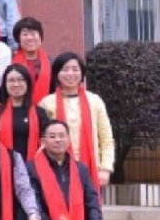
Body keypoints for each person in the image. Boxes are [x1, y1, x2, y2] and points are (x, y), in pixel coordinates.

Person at [37, 53, 115, 189]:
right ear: (57, 74)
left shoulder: (94, 101)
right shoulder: (46, 103)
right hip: (56, 169)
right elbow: (41, 140)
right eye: (65, 69)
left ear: (82, 73)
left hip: (91, 169)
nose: (70, 74)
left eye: (75, 69)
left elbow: (106, 138)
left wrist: (105, 169)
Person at [0, 63, 48, 159]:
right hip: (3, 164)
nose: (16, 84)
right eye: (11, 80)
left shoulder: (39, 113)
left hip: (33, 165)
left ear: (28, 83)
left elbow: (46, 141)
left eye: (20, 80)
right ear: (4, 84)